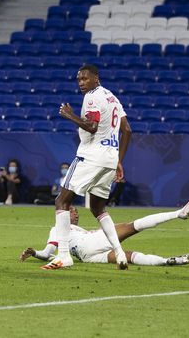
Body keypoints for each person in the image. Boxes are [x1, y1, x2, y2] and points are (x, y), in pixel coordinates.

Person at [42, 63, 132, 270]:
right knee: (98, 207)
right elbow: (127, 130)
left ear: (96, 78)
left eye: (85, 78)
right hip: (109, 159)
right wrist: (119, 160)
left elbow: (92, 127)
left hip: (90, 156)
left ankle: (64, 256)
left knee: (61, 201)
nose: (81, 83)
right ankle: (119, 253)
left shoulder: (92, 97)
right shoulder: (112, 97)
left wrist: (70, 116)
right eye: (79, 79)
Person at [20, 200, 189, 266]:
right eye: (72, 210)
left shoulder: (77, 230)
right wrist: (35, 253)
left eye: (76, 211)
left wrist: (35, 254)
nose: (75, 213)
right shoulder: (57, 228)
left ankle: (169, 261)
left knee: (129, 256)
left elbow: (48, 254)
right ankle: (177, 213)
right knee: (132, 226)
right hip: (87, 246)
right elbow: (47, 253)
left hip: (88, 257)